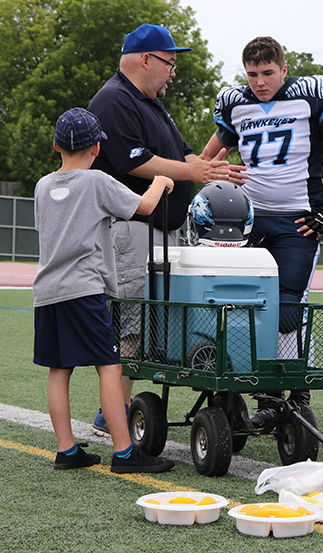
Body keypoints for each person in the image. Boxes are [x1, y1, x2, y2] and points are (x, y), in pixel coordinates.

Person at [87, 24, 245, 436]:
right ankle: (112, 414)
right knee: (132, 325)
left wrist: (209, 169)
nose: (173, 72)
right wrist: (193, 171)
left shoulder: (150, 102)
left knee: (149, 325)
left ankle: (119, 410)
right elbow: (134, 161)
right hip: (131, 229)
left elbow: (183, 154)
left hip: (155, 231)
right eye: (169, 63)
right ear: (146, 59)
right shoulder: (114, 98)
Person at [201, 36, 323, 426]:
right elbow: (206, 159)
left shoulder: (311, 98)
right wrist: (216, 173)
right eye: (252, 74)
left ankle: (297, 394)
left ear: (284, 69)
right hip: (250, 223)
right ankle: (265, 398)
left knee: (288, 310)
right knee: (242, 307)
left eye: (268, 72)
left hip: (297, 222)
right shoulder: (237, 104)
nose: (260, 82)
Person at [34, 107, 175, 473]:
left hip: (47, 290)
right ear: (97, 148)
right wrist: (160, 180)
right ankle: (125, 453)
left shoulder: (42, 186)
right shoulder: (96, 181)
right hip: (84, 288)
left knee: (58, 370)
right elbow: (145, 206)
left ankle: (66, 450)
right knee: (110, 367)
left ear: (56, 145)